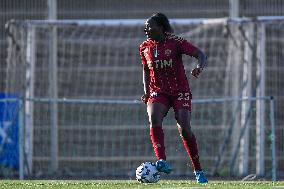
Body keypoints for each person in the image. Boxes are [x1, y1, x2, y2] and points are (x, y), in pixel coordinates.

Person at [139, 13, 208, 184]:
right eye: (146, 26)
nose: (146, 29)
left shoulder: (176, 42)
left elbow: (200, 54)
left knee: (184, 127)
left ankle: (198, 169)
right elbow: (146, 71)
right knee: (154, 117)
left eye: (150, 26)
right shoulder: (144, 47)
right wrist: (147, 92)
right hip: (158, 91)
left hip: (179, 91)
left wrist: (199, 67)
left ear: (161, 27)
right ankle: (161, 160)